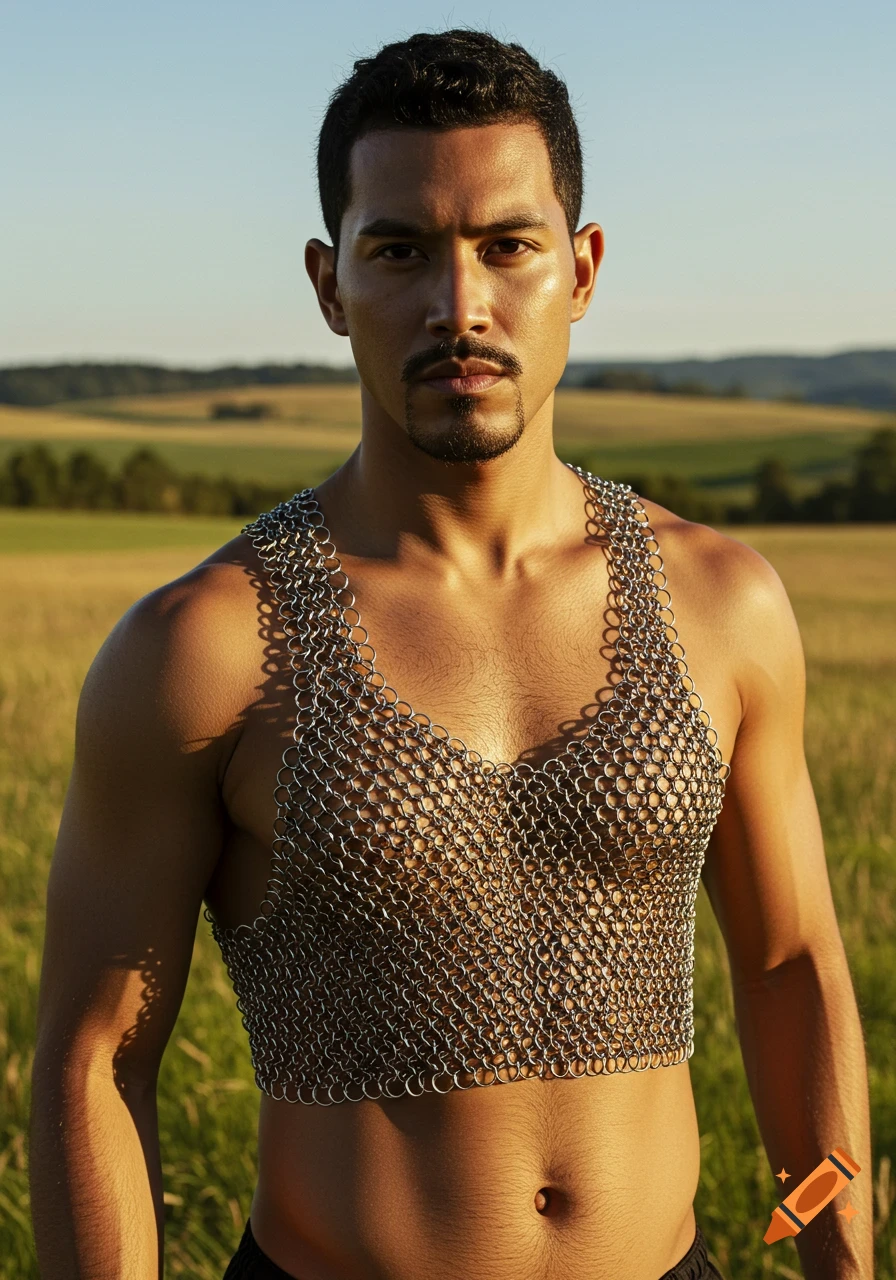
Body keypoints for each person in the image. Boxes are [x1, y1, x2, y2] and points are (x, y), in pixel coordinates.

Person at [30, 28, 872, 1280]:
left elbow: (789, 963)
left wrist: (842, 1260)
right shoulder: (200, 646)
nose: (458, 305)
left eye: (506, 246)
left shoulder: (719, 603)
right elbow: (95, 1057)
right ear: (329, 284)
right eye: (400, 250)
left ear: (579, 271)